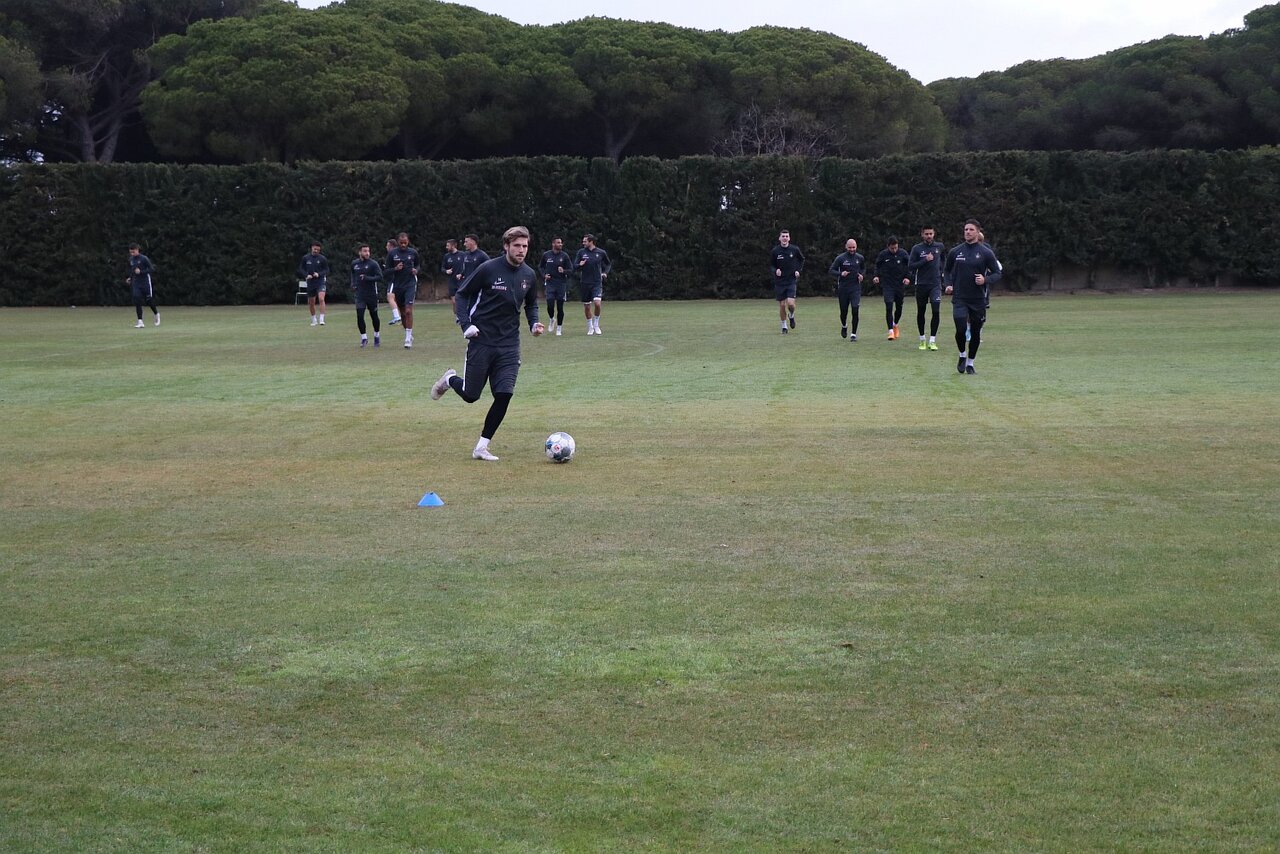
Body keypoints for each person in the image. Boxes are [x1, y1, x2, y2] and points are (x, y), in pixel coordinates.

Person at [430, 225, 544, 461]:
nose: (521, 250)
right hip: (481, 340)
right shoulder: (488, 269)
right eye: (517, 246)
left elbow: (531, 304)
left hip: (509, 345)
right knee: (471, 395)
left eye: (525, 246)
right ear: (506, 246)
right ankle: (450, 380)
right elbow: (462, 294)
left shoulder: (529, 275)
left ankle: (481, 447)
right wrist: (466, 325)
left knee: (504, 394)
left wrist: (534, 323)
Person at [944, 219, 1002, 375]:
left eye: (971, 229)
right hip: (959, 298)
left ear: (977, 232)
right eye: (966, 229)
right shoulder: (955, 252)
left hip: (977, 299)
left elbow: (997, 273)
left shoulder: (986, 252)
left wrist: (985, 280)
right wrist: (948, 284)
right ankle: (962, 355)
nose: (968, 232)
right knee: (961, 329)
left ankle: (970, 363)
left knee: (975, 332)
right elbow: (947, 271)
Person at [908, 226, 945, 350]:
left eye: (931, 233)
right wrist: (925, 260)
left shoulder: (939, 246)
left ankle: (932, 340)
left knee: (936, 310)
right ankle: (922, 339)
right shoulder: (917, 248)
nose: (929, 236)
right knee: (921, 311)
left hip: (935, 284)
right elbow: (911, 266)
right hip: (922, 284)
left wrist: (942, 272)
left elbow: (944, 260)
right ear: (922, 235)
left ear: (934, 234)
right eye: (926, 234)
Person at [386, 232, 421, 348]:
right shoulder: (392, 254)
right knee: (403, 314)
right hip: (398, 285)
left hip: (410, 284)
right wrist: (395, 269)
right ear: (398, 242)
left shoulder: (413, 252)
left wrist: (416, 270)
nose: (403, 245)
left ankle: (407, 339)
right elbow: (386, 271)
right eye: (401, 243)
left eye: (405, 242)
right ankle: (409, 334)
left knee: (408, 311)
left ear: (408, 241)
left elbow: (418, 265)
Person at [828, 238, 865, 341]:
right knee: (844, 311)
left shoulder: (860, 258)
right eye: (850, 247)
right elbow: (831, 270)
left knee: (855, 309)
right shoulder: (840, 258)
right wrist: (841, 274)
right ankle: (844, 325)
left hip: (855, 288)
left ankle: (853, 334)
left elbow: (863, 268)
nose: (852, 249)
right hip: (843, 289)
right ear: (846, 247)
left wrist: (862, 275)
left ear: (856, 247)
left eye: (853, 247)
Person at [873, 236, 910, 340]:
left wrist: (907, 277)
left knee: (899, 307)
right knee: (889, 306)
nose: (894, 250)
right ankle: (890, 332)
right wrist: (876, 276)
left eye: (895, 248)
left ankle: (895, 324)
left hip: (899, 285)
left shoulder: (903, 254)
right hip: (887, 285)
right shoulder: (883, 255)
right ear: (888, 247)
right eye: (892, 248)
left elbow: (909, 267)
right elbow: (877, 266)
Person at [575, 233, 611, 335]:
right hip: (585, 282)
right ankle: (590, 327)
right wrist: (579, 265)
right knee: (587, 306)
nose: (583, 243)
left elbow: (608, 264)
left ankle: (596, 324)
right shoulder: (581, 252)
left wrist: (605, 273)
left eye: (585, 241)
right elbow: (575, 266)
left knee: (597, 303)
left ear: (591, 242)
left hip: (597, 282)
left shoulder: (601, 252)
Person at [770, 229, 804, 333]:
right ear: (779, 238)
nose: (785, 238)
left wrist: (798, 270)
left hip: (791, 280)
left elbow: (801, 259)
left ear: (789, 238)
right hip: (780, 282)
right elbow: (771, 265)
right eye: (783, 236)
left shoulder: (794, 249)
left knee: (790, 304)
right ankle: (784, 326)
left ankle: (791, 315)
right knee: (782, 305)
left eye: (786, 236)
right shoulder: (775, 251)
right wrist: (776, 270)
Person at [350, 244, 383, 348]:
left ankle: (376, 336)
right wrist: (353, 284)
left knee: (374, 316)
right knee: (360, 315)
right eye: (365, 251)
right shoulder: (354, 263)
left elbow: (380, 277)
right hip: (360, 295)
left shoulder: (373, 264)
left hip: (371, 294)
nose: (367, 253)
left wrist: (367, 278)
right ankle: (364, 338)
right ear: (360, 252)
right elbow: (353, 275)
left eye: (368, 251)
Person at [540, 236, 571, 336]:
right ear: (553, 244)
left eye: (561, 243)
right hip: (550, 283)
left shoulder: (564, 256)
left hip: (561, 284)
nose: (560, 244)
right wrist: (544, 275)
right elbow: (541, 267)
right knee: (550, 304)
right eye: (558, 242)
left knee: (560, 307)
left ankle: (559, 328)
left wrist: (564, 271)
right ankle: (552, 319)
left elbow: (571, 270)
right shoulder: (546, 255)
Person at [126, 244, 159, 328]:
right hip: (136, 283)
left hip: (145, 282)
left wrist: (141, 272)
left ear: (137, 250)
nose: (132, 254)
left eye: (133, 252)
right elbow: (132, 270)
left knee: (149, 300)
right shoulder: (131, 259)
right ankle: (140, 321)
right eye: (131, 252)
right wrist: (130, 278)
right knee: (137, 299)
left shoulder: (144, 258)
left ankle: (156, 314)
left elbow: (151, 269)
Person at [297, 241, 329, 327]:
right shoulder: (306, 258)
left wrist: (319, 274)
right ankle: (314, 319)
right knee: (311, 302)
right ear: (311, 248)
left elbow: (326, 270)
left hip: (320, 281)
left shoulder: (322, 258)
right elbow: (301, 269)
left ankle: (321, 319)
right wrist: (306, 275)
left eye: (318, 250)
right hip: (310, 282)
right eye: (315, 249)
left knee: (321, 298)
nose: (316, 251)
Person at [453, 234, 489, 300]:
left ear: (473, 242)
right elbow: (466, 268)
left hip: (477, 287)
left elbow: (490, 269)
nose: (464, 244)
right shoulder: (466, 254)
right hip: (466, 285)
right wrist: (461, 274)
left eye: (466, 242)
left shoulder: (482, 255)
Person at [382, 238, 402, 325]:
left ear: (391, 246)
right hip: (398, 280)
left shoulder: (393, 255)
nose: (386, 247)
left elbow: (391, 270)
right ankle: (400, 316)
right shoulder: (397, 254)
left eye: (387, 245)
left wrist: (390, 269)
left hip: (394, 280)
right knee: (395, 299)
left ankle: (397, 317)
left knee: (390, 297)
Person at [440, 238, 464, 310]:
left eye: (448, 246)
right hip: (451, 282)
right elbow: (442, 268)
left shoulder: (462, 255)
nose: (446, 247)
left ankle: (461, 315)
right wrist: (446, 271)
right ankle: (457, 316)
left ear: (453, 246)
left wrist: (463, 274)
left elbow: (467, 266)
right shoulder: (446, 256)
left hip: (461, 281)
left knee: (461, 301)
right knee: (454, 302)